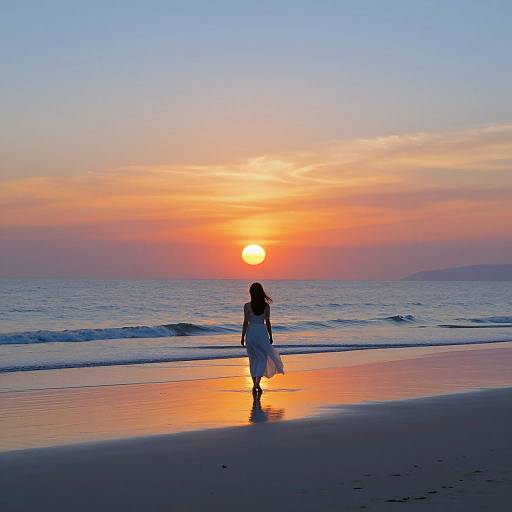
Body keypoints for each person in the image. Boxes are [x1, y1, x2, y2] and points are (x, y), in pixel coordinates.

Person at [241, 282, 284, 394]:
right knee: (262, 358)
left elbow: (245, 322)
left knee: (253, 359)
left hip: (251, 333)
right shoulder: (266, 306)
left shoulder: (247, 306)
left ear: (251, 293)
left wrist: (242, 336)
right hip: (262, 332)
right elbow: (268, 322)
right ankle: (256, 385)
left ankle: (256, 385)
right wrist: (270, 336)